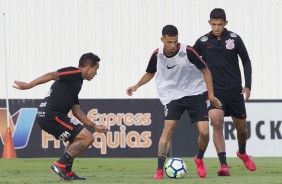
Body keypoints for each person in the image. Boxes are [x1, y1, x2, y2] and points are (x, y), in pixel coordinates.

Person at [126, 25, 222, 179]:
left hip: (194, 93)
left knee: (204, 132)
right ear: (162, 39)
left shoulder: (188, 51)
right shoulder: (157, 55)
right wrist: (137, 86)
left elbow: (206, 70)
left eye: (175, 41)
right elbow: (150, 72)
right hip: (172, 96)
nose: (172, 46)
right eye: (169, 42)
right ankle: (159, 170)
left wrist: (210, 95)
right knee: (168, 130)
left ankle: (199, 157)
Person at [13, 52, 109, 180]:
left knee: (76, 139)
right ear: (88, 67)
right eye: (96, 69)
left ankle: (67, 172)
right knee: (88, 138)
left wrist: (94, 125)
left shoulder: (77, 83)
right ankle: (59, 164)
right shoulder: (74, 72)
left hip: (47, 115)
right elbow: (51, 75)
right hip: (51, 115)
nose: (96, 73)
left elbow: (77, 112)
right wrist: (29, 85)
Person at [193, 8, 256, 176]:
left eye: (220, 24)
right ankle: (223, 165)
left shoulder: (235, 39)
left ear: (225, 23)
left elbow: (246, 61)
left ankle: (242, 152)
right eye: (213, 24)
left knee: (241, 129)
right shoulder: (202, 41)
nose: (216, 28)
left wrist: (248, 86)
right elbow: (190, 63)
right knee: (217, 122)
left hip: (235, 91)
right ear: (209, 23)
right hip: (214, 92)